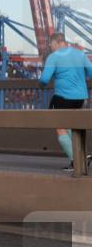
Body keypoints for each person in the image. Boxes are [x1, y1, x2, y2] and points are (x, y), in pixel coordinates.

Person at [39, 32, 92, 171]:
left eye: (50, 44)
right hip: (81, 97)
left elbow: (44, 79)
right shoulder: (80, 54)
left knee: (60, 127)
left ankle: (77, 161)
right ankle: (82, 156)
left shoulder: (54, 57)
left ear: (56, 42)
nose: (50, 47)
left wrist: (42, 83)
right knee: (72, 126)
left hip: (63, 97)